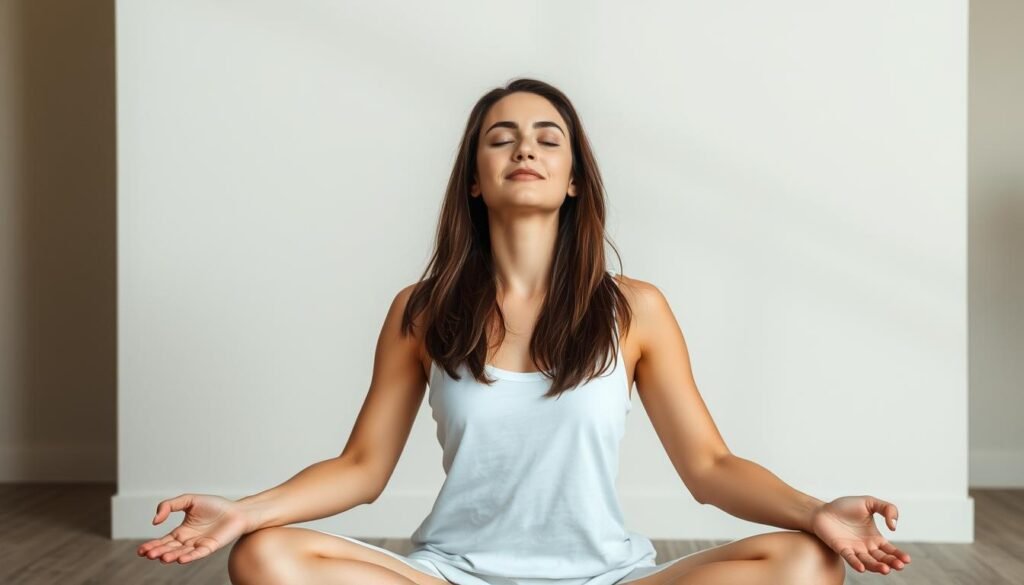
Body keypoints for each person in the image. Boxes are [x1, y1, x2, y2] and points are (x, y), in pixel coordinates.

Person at [137, 78, 912, 584]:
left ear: (573, 178)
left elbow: (709, 466)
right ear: (474, 178)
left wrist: (813, 509)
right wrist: (247, 509)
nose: (526, 148)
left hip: (608, 577)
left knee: (808, 562)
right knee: (265, 555)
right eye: (501, 137)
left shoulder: (633, 308)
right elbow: (361, 467)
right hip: (454, 575)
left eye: (548, 137)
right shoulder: (422, 309)